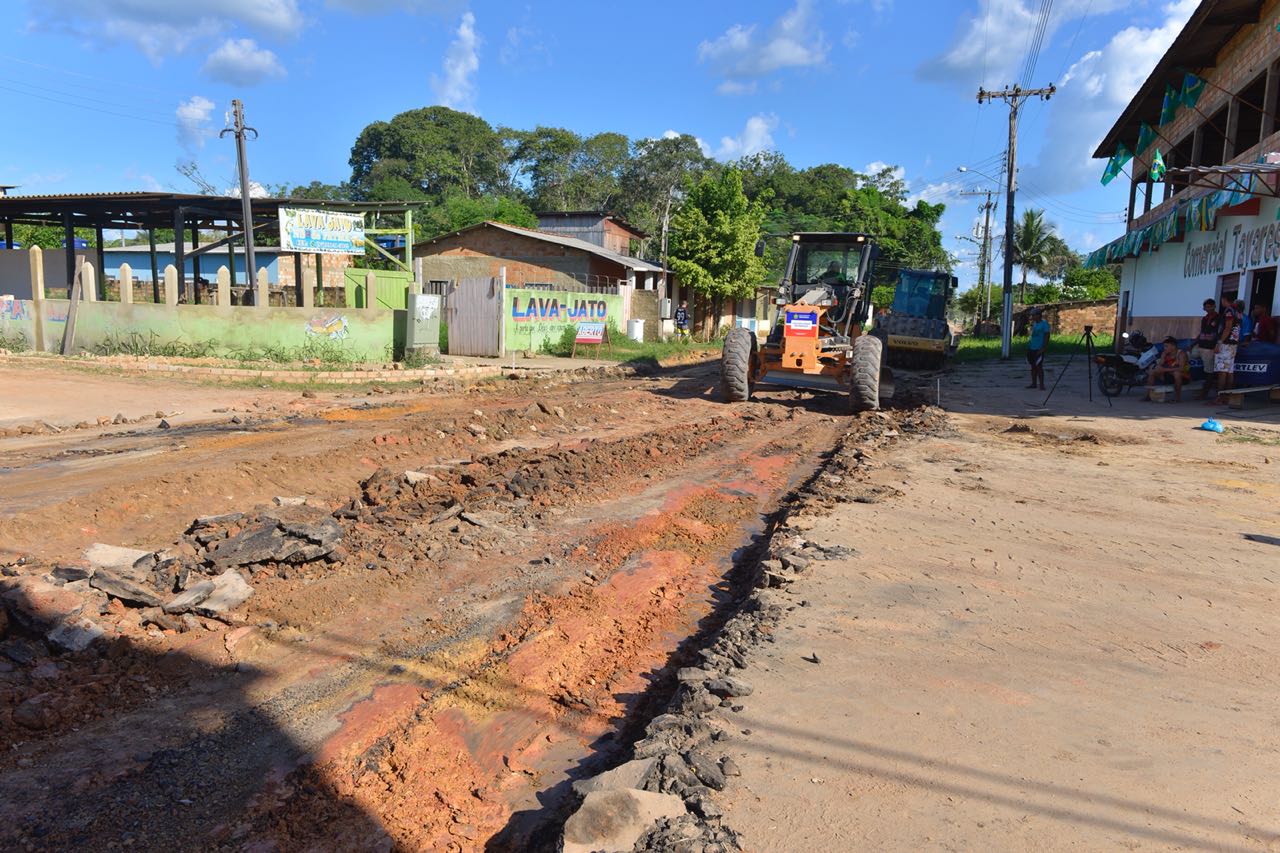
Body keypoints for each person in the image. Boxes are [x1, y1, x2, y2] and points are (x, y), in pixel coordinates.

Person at [1211, 293, 1240, 404]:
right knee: (1229, 371)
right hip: (1233, 344)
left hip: (1226, 344)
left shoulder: (1229, 311)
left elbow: (1227, 328)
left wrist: (1219, 342)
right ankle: (1227, 396)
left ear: (1224, 299)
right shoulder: (1237, 312)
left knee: (1222, 371)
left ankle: (1220, 397)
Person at [1144, 336, 1189, 401]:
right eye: (1164, 346)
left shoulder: (1181, 354)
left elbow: (1181, 369)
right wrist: (1162, 358)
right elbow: (1160, 366)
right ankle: (1148, 396)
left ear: (1173, 346)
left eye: (1166, 346)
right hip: (1169, 376)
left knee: (1177, 373)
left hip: (1183, 377)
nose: (1164, 348)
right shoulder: (1165, 354)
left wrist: (1165, 370)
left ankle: (1177, 398)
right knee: (1153, 372)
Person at [1194, 298, 1219, 399]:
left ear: (1214, 306)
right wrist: (1193, 343)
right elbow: (1202, 332)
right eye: (1206, 307)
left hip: (1210, 348)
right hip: (1200, 345)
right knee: (1186, 356)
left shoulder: (1219, 318)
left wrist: (1217, 345)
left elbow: (1220, 333)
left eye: (1210, 306)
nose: (1208, 309)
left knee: (1209, 371)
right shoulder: (1204, 319)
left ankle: (1205, 393)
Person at [1026, 307, 1050, 390]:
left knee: (1039, 366)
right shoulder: (1035, 324)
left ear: (1039, 315)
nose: (1032, 317)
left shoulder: (1044, 324)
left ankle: (1042, 385)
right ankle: (1034, 383)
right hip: (1032, 347)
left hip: (1039, 348)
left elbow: (1047, 336)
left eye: (1033, 315)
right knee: (1033, 366)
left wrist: (1043, 348)